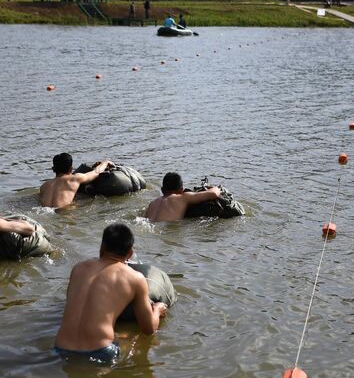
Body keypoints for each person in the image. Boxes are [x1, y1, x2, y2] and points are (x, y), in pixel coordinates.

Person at [53, 223, 167, 365]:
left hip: (60, 349)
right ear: (130, 254)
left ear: (102, 247)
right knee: (136, 338)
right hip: (100, 353)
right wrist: (157, 310)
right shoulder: (135, 278)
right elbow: (148, 329)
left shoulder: (78, 268)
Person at [40, 153, 114, 209]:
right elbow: (96, 172)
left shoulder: (44, 186)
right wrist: (106, 162)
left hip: (45, 212)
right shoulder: (74, 179)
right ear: (71, 168)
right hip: (64, 213)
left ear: (53, 169)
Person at [145, 173, 221, 222]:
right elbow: (213, 193)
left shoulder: (152, 203)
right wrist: (217, 188)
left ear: (162, 189)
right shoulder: (182, 197)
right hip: (166, 230)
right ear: (181, 190)